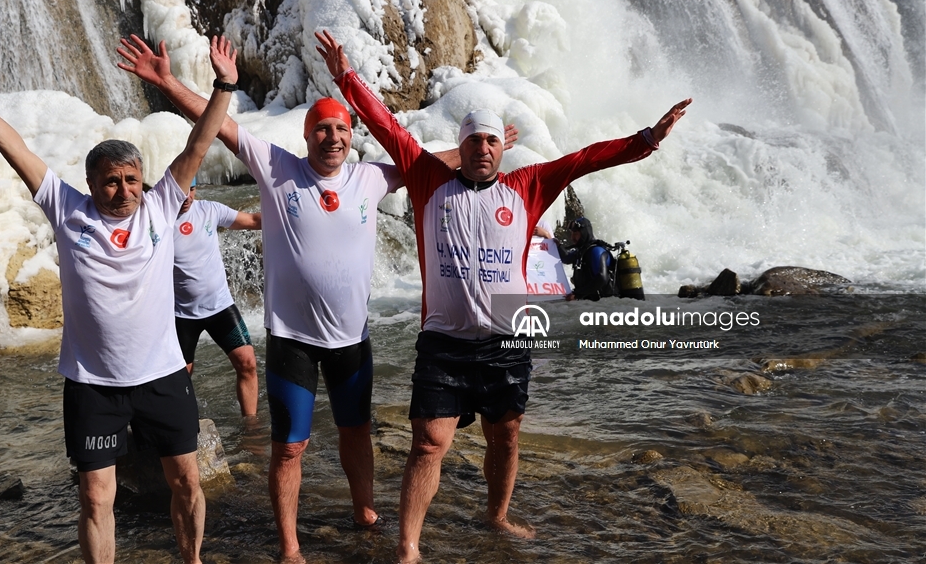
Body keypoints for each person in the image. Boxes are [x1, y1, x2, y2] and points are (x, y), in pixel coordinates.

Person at [116, 35, 518, 562]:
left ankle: (364, 511)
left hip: (353, 339)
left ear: (351, 138)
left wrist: (481, 147)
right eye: (323, 129)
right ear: (307, 136)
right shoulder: (277, 168)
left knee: (357, 434)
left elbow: (428, 161)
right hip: (292, 341)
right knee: (289, 447)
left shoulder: (370, 178)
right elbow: (221, 126)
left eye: (342, 130)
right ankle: (289, 546)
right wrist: (168, 81)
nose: (333, 137)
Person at [316, 29, 688, 563]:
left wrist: (646, 140)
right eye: (473, 141)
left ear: (501, 148)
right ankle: (409, 547)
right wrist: (345, 76)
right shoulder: (425, 178)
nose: (482, 149)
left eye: (491, 141)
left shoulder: (527, 187)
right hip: (442, 340)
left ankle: (496, 514)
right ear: (460, 147)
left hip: (506, 339)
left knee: (506, 437)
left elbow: (584, 159)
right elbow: (384, 124)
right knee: (427, 443)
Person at [0, 35, 239, 564]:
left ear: (144, 182)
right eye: (110, 182)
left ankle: (191, 559)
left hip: (163, 375)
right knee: (94, 496)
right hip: (92, 385)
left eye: (131, 180)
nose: (122, 190)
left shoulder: (163, 205)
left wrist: (224, 85)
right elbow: (13, 145)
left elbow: (198, 144)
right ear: (90, 184)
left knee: (188, 482)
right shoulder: (66, 209)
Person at [173, 180, 262, 423]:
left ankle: (251, 425)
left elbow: (254, 221)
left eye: (191, 189)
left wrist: (293, 216)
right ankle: (180, 429)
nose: (187, 197)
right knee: (179, 378)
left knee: (247, 363)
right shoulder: (158, 220)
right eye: (181, 190)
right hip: (182, 314)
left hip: (221, 307)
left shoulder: (210, 210)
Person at [558, 216, 617, 301]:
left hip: (606, 304)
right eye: (572, 233)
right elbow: (566, 258)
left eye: (576, 234)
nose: (572, 237)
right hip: (591, 303)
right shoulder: (582, 251)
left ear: (584, 233)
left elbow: (601, 278)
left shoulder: (596, 251)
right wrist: (552, 241)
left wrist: (577, 295)